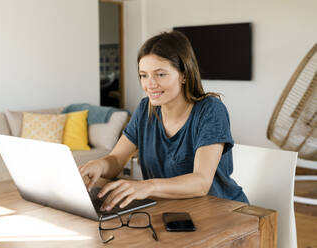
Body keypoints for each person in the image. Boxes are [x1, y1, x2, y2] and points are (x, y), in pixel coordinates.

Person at [79, 30, 249, 212]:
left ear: (184, 75)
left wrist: (149, 186)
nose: (150, 84)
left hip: (222, 213)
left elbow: (201, 182)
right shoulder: (145, 109)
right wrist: (100, 165)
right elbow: (116, 159)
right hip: (172, 212)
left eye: (160, 74)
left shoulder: (211, 110)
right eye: (144, 75)